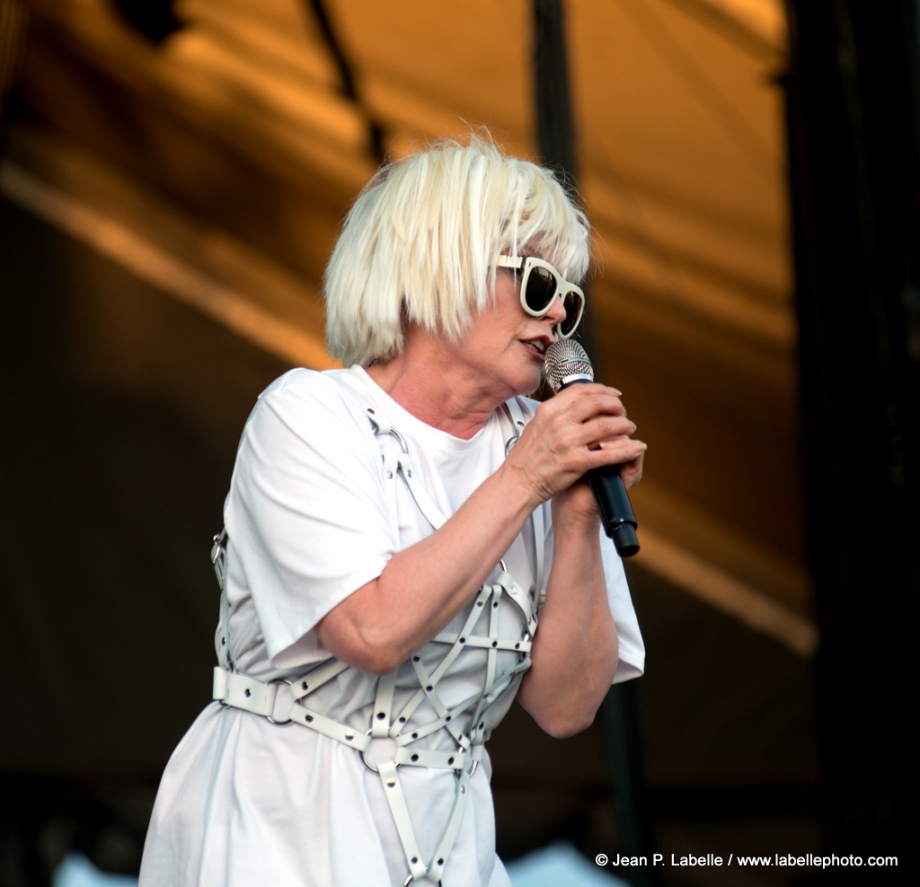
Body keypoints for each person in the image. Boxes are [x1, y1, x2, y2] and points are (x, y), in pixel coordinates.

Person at [138, 137, 646, 887]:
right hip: (281, 831)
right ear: (435, 267)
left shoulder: (535, 450)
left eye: (569, 294)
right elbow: (371, 630)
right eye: (538, 283)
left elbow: (567, 706)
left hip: (451, 846)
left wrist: (573, 514)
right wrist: (526, 477)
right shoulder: (308, 416)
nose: (559, 315)